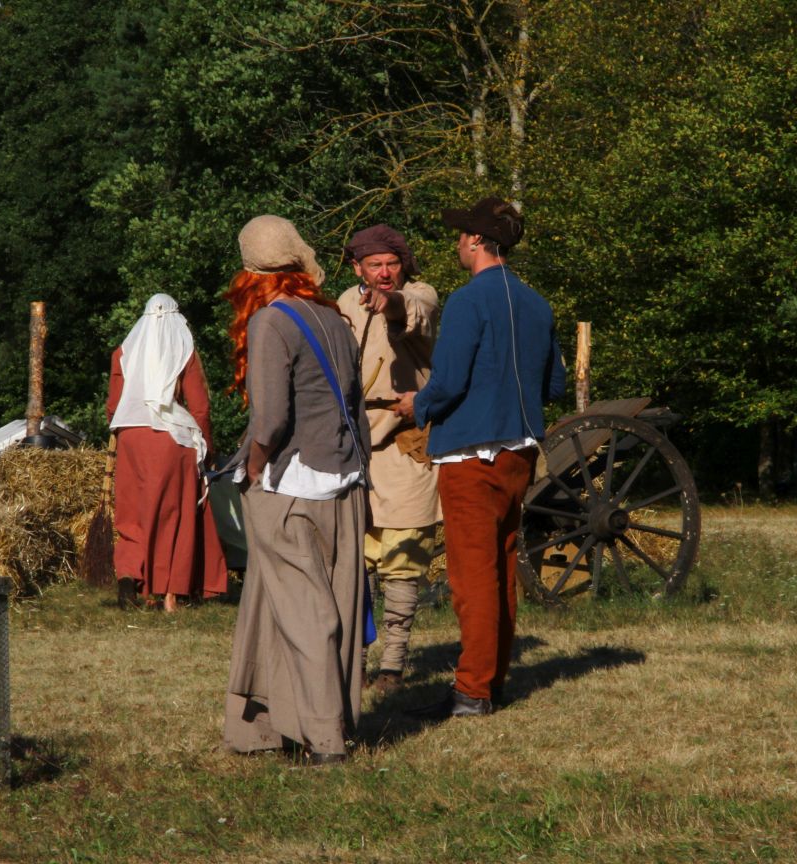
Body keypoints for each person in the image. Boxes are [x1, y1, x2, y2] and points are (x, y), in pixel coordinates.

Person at [393, 196, 566, 717]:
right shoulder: (538, 304)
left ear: (475, 241)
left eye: (460, 235)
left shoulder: (467, 301)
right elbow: (554, 385)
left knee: (472, 579)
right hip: (520, 452)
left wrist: (417, 404)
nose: (457, 243)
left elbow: (448, 383)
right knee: (501, 568)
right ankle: (491, 682)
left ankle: (472, 691)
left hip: (472, 454)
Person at [222, 215, 371, 765]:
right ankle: (262, 728)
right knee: (290, 606)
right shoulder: (333, 318)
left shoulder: (270, 322)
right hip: (345, 483)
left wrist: (252, 469)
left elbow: (270, 422)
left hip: (292, 488)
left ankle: (326, 738)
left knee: (306, 615)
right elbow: (356, 409)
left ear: (250, 275)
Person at [336, 224, 441, 694]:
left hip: (405, 450)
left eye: (392, 263)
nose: (384, 272)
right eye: (374, 264)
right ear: (357, 267)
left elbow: (410, 310)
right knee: (353, 565)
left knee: (402, 563)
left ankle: (393, 667)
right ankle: (354, 663)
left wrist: (389, 302)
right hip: (352, 451)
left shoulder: (420, 294)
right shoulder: (342, 303)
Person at [107, 293, 228, 613]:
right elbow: (200, 407)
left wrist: (121, 432)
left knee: (133, 513)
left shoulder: (124, 351)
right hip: (172, 440)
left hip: (131, 437)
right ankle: (170, 594)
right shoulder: (184, 350)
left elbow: (113, 406)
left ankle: (131, 575)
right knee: (174, 514)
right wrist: (207, 448)